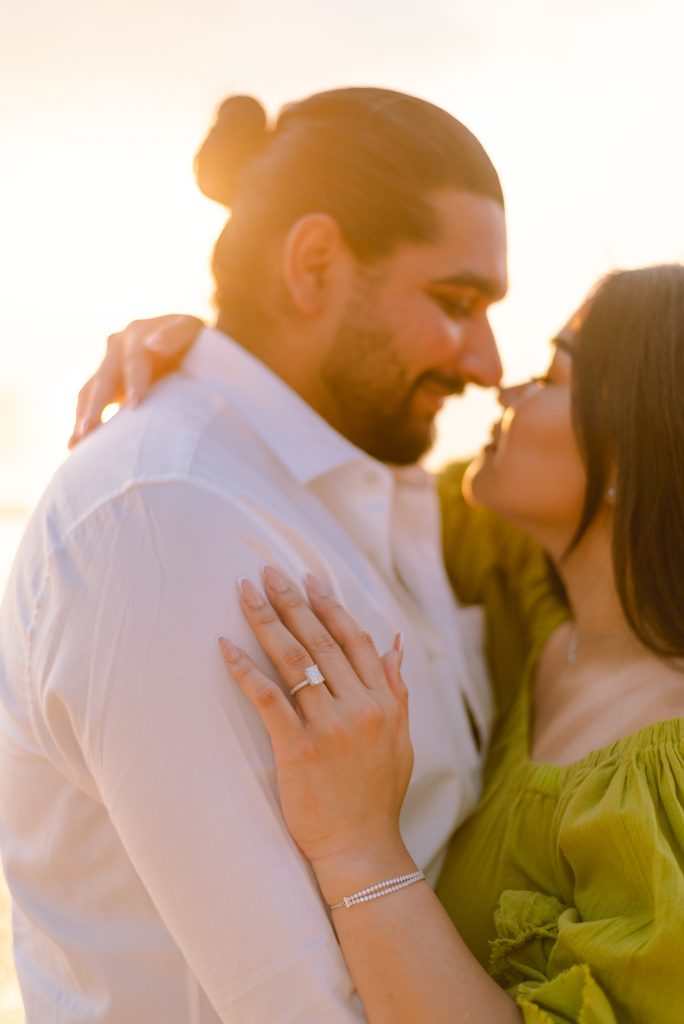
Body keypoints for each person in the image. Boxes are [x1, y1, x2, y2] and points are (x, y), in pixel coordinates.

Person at [0, 88, 511, 1022]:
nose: (486, 361)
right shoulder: (166, 521)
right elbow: (303, 1009)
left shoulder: (368, 490)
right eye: (456, 301)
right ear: (313, 263)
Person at [211, 265, 684, 1023]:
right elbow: (357, 489)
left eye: (550, 377)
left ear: (629, 457)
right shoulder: (521, 574)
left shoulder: (663, 781)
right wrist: (206, 361)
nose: (506, 391)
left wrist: (359, 847)